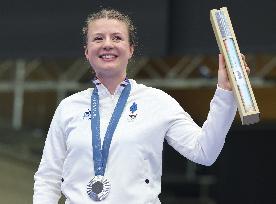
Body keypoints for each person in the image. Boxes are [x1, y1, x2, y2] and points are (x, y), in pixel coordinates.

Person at [33, 9, 250, 204]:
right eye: (98, 38)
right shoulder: (68, 107)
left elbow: (205, 151)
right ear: (86, 51)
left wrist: (225, 93)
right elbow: (48, 177)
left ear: (130, 49)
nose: (107, 44)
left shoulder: (157, 102)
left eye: (116, 38)